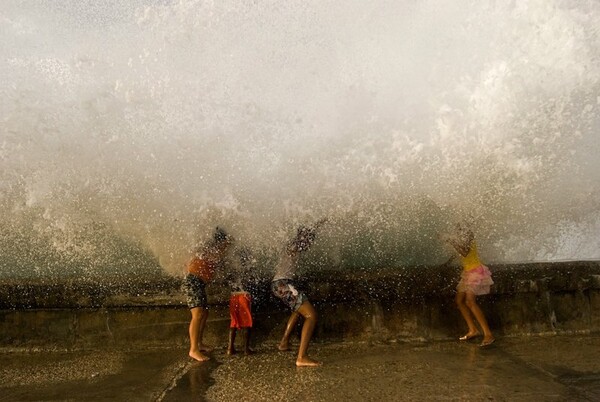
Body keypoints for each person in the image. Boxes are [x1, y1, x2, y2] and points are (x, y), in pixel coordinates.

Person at [271, 220, 327, 367]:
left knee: (298, 311)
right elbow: (297, 244)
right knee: (311, 315)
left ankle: (283, 342)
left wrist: (317, 225)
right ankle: (302, 357)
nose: (309, 244)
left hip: (279, 284)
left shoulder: (291, 246)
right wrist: (315, 225)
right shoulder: (293, 246)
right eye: (309, 240)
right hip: (283, 284)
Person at [183, 227, 232, 361]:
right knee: (198, 314)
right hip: (193, 281)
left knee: (204, 313)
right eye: (224, 243)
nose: (226, 246)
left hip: (199, 283)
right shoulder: (209, 250)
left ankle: (199, 343)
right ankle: (193, 350)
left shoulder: (215, 252)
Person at [442, 223, 495, 347]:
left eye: (459, 228)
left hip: (476, 272)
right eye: (457, 229)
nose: (457, 231)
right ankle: (473, 330)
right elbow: (459, 253)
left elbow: (465, 252)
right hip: (467, 273)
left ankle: (488, 334)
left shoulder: (469, 236)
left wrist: (450, 240)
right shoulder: (462, 239)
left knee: (470, 301)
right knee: (459, 301)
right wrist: (446, 264)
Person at [226, 248, 256, 356]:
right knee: (247, 322)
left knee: (233, 322)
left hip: (233, 296)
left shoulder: (233, 270)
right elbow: (252, 281)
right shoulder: (248, 269)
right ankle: (246, 349)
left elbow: (229, 281)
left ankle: (230, 348)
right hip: (244, 296)